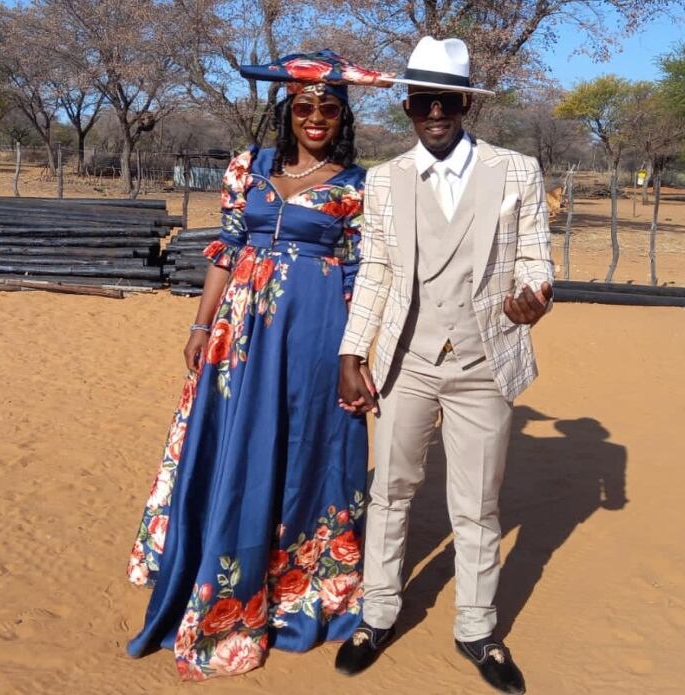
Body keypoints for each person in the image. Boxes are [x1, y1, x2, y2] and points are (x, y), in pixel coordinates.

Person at [125, 51, 392, 681]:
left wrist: (355, 355)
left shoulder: (359, 185)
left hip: (316, 330)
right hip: (238, 331)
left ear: (342, 116)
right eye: (305, 107)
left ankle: (298, 582)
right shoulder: (250, 166)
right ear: (288, 113)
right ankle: (211, 561)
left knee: (305, 446)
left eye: (329, 108)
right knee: (231, 443)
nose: (317, 118)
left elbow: (360, 273)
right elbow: (226, 245)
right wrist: (200, 322)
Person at [334, 37, 554, 694]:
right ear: (407, 106)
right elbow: (375, 272)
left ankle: (478, 628)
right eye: (421, 100)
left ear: (465, 102)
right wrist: (352, 351)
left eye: (446, 99)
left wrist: (536, 297)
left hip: (486, 361)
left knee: (477, 503)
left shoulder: (518, 171)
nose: (434, 111)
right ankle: (377, 615)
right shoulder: (385, 180)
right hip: (406, 358)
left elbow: (536, 259)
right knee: (391, 490)